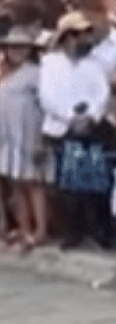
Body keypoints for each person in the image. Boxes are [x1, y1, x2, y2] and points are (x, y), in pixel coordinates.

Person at [39, 10, 112, 250]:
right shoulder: (50, 64)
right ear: (67, 38)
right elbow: (47, 96)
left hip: (90, 127)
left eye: (86, 34)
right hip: (63, 128)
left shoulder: (95, 64)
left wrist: (90, 115)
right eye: (78, 35)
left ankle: (99, 230)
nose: (84, 39)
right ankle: (73, 231)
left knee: (97, 183)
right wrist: (70, 116)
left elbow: (102, 93)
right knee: (67, 186)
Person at [0, 26, 48, 252]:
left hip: (29, 131)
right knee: (15, 183)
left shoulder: (35, 73)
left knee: (33, 183)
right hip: (7, 135)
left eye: (21, 47)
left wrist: (42, 138)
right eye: (12, 47)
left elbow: (45, 104)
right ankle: (24, 227)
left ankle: (40, 230)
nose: (16, 51)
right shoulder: (3, 72)